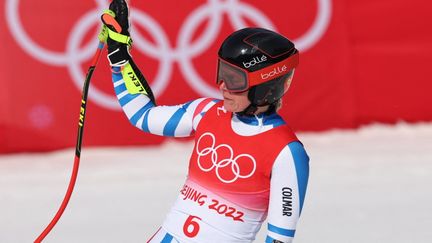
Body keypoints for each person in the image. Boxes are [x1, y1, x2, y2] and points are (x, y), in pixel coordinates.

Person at [101, 1, 309, 242]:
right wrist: (120, 62)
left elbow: (279, 238)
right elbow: (143, 117)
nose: (222, 85)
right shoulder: (206, 111)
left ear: (265, 87)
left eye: (234, 79)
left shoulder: (287, 152)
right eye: (223, 73)